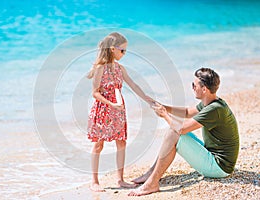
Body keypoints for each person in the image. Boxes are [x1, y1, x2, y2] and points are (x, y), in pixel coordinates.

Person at [128, 67, 239, 196]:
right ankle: (151, 175)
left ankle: (152, 183)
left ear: (204, 89)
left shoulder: (214, 109)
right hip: (216, 158)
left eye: (194, 85)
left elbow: (182, 129)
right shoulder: (210, 102)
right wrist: (165, 108)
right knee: (173, 130)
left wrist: (164, 115)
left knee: (175, 132)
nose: (192, 87)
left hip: (219, 168)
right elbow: (187, 112)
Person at [87, 32, 155, 192]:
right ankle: (94, 181)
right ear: (112, 49)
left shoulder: (120, 68)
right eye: (122, 51)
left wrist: (147, 99)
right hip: (103, 110)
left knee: (121, 143)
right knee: (98, 145)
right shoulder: (100, 68)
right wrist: (111, 103)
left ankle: (120, 179)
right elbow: (95, 92)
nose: (124, 54)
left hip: (118, 111)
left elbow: (133, 85)